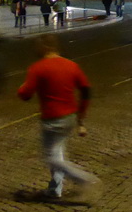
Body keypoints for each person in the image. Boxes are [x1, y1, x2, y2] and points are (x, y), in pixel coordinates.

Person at [16, 34, 99, 200]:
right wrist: (81, 117)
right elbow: (86, 90)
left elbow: (25, 95)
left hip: (52, 119)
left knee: (51, 158)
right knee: (57, 152)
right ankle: (55, 189)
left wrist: (22, 88)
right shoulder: (72, 66)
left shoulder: (38, 68)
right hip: (70, 117)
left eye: (37, 47)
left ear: (44, 48)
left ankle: (87, 180)